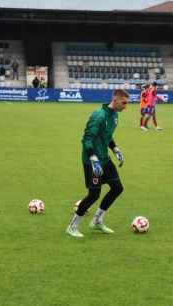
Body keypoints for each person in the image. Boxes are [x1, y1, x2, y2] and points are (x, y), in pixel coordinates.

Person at [66, 89, 129, 238]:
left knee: (117, 188)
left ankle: (97, 220)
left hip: (105, 159)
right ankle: (72, 226)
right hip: (92, 160)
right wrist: (93, 159)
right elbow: (87, 139)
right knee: (94, 195)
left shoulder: (114, 116)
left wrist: (116, 149)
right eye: (124, 102)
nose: (126, 106)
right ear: (115, 99)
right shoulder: (99, 115)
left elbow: (107, 136)